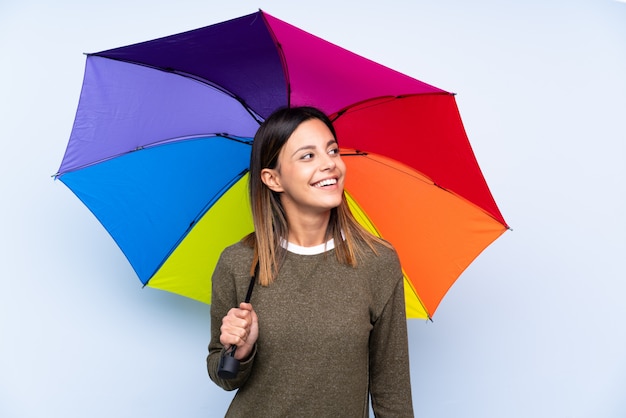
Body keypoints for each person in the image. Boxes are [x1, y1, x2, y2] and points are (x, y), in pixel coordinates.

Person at [207, 106, 414, 417]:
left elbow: (392, 393)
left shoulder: (377, 262)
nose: (330, 164)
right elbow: (221, 372)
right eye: (308, 156)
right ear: (272, 178)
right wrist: (241, 351)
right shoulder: (238, 263)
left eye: (332, 150)